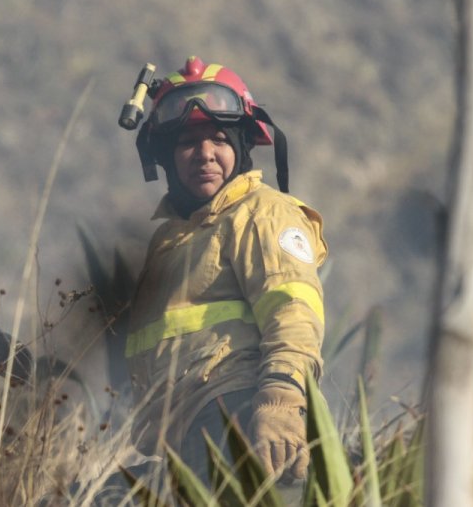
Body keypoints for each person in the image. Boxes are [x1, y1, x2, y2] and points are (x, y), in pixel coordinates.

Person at [122, 56, 327, 488]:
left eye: (218, 138)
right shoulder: (170, 242)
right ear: (165, 156)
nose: (205, 154)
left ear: (242, 145)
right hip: (177, 440)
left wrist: (282, 399)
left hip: (236, 415)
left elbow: (293, 310)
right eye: (187, 143)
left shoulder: (261, 212)